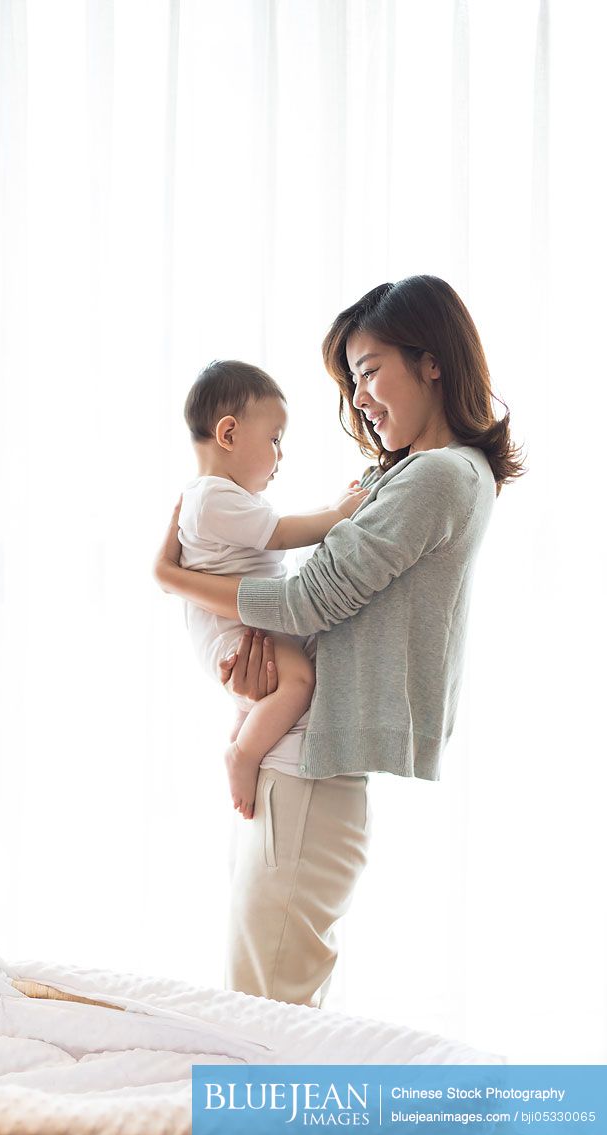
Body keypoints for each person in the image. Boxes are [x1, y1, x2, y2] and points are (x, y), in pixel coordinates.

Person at [154, 275, 524, 1008]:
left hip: (307, 773)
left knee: (264, 1019)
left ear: (432, 361)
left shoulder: (440, 476)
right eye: (350, 382)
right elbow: (312, 602)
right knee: (269, 1006)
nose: (357, 398)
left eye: (366, 371)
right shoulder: (421, 473)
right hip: (301, 765)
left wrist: (172, 575)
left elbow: (304, 598)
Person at [178, 359, 369, 819]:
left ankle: (242, 735)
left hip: (246, 619)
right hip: (233, 628)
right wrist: (339, 513)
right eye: (275, 440)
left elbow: (279, 529)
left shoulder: (222, 498)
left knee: (281, 682)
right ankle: (242, 753)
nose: (280, 455)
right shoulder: (212, 497)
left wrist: (333, 508)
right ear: (228, 434)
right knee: (298, 681)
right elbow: (282, 533)